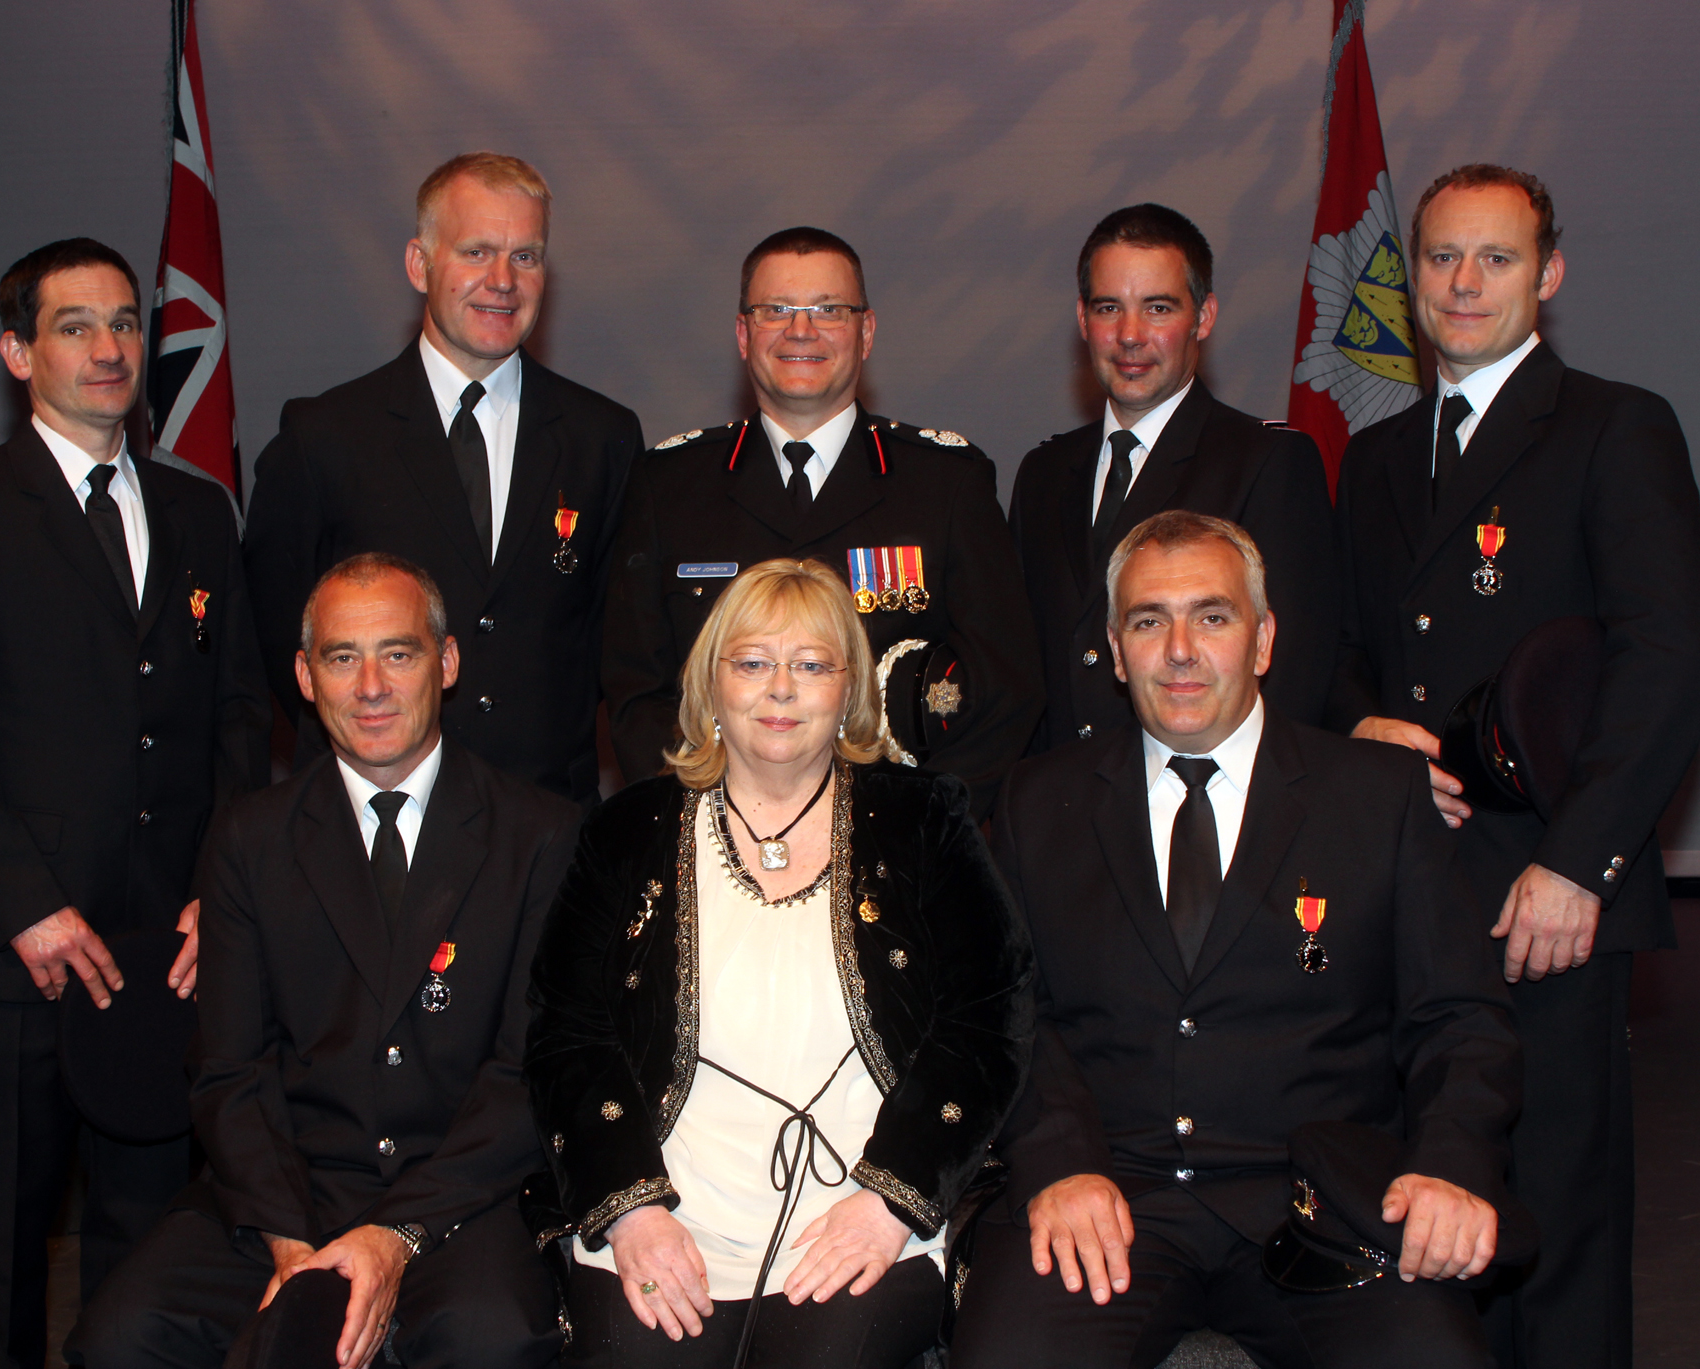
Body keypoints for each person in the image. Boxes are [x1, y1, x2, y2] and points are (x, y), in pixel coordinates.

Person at [951, 511, 1521, 1369]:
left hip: (1320, 1204)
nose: (1179, 648)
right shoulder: (1037, 802)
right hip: (1110, 1197)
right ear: (1113, 646)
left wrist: (1448, 1163)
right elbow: (1002, 1011)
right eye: (1148, 620)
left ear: (1262, 640)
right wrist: (1058, 1162)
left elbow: (1462, 1018)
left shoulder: (1377, 796)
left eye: (1212, 616)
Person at [0, 238, 272, 1369]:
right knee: (0, 1244)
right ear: (17, 352)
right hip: (14, 947)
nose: (110, 348)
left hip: (163, 951)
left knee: (147, 1248)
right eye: (75, 326)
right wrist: (28, 905)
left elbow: (243, 718)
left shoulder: (201, 515)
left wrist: (217, 896)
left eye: (125, 324)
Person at [1327, 164, 1700, 1369]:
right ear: (1410, 277)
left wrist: (1578, 861)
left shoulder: (1612, 423)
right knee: (1432, 1203)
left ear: (1547, 273)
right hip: (1410, 887)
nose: (1465, 282)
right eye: (1441, 258)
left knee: (1559, 1213)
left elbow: (1665, 655)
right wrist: (1365, 725)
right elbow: (1335, 656)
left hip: (1546, 888)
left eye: (1495, 258)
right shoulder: (1378, 457)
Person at [72, 554, 579, 1369]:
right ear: (305, 677)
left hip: (460, 1200)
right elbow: (229, 1068)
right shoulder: (249, 837)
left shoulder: (541, 836)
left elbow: (527, 1074)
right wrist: (289, 1243)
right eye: (342, 657)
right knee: (123, 1334)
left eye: (399, 652)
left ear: (446, 662)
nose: (371, 684)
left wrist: (393, 1234)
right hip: (287, 1193)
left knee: (492, 1337)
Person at [530, 558, 1033, 1368]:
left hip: (863, 1204)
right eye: (753, 661)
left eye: (810, 665)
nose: (780, 688)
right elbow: (566, 1031)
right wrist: (631, 1212)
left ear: (849, 689)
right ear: (710, 682)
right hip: (665, 1202)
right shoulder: (627, 829)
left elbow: (988, 1016)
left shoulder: (922, 819)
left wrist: (892, 1199)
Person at [245, 151, 644, 803]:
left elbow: (621, 642)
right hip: (369, 818)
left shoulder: (602, 437)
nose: (502, 281)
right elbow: (276, 631)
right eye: (476, 251)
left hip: (547, 824)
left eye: (526, 256)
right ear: (418, 263)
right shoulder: (324, 436)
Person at [601, 227, 1042, 818]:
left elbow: (1006, 687)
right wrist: (708, 819)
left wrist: (920, 828)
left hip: (896, 848)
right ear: (742, 333)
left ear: (866, 332)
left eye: (828, 310)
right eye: (775, 310)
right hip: (714, 839)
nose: (800, 330)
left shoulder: (946, 484)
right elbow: (636, 689)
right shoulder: (669, 484)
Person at [1011, 204, 1339, 752]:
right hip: (1060, 807)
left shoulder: (1267, 462)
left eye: (1158, 308)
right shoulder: (1043, 473)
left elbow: (1295, 675)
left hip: (1200, 804)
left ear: (1204, 316)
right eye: (1108, 307)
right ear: (1082, 319)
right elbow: (1022, 665)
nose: (1130, 335)